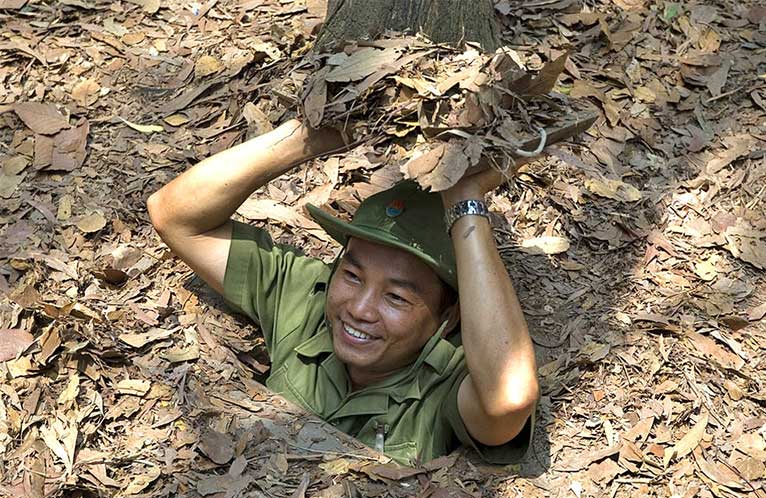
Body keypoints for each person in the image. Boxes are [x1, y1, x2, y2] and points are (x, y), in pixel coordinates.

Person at [146, 119, 540, 466]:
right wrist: (314, 134)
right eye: (352, 275)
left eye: (396, 298)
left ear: (449, 316)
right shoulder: (305, 296)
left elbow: (510, 397)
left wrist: (465, 199)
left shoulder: (447, 383)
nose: (359, 309)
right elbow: (174, 216)